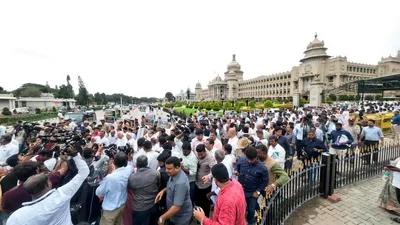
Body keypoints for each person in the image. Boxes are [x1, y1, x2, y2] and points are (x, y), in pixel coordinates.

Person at [6, 147, 89, 225]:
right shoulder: (62, 195)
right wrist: (75, 156)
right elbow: (84, 172)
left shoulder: (17, 217)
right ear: (49, 184)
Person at [96, 152, 134, 225]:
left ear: (113, 162)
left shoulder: (110, 178)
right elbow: (131, 166)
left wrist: (109, 171)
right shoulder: (128, 169)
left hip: (110, 210)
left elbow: (98, 192)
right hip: (122, 205)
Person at [234, 147, 268, 225]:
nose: (249, 161)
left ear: (256, 157)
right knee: (240, 208)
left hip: (252, 192)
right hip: (241, 190)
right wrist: (236, 170)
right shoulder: (242, 159)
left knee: (251, 210)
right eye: (248, 159)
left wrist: (258, 192)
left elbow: (265, 182)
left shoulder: (262, 168)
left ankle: (250, 222)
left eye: (252, 160)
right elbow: (237, 166)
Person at [155, 156, 192, 225]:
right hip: (173, 215)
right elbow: (171, 186)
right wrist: (163, 191)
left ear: (177, 167)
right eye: (166, 168)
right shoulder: (173, 174)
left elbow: (176, 207)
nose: (166, 171)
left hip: (180, 218)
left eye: (169, 169)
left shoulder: (180, 183)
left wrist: (162, 218)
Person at [129, 155, 159, 225]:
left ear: (137, 164)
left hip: (140, 208)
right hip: (153, 205)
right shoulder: (154, 173)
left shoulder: (133, 178)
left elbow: (130, 186)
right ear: (146, 163)